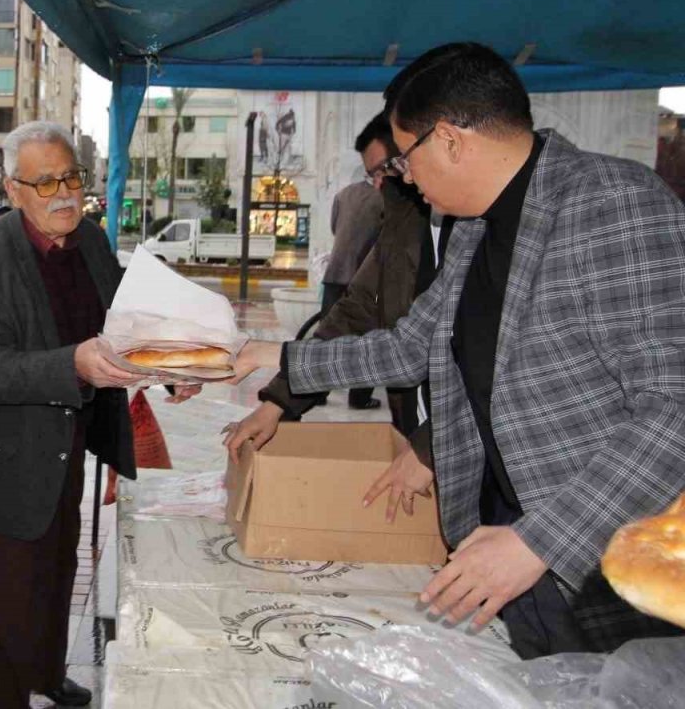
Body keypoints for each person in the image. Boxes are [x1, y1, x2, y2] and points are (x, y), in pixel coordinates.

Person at [228, 42, 685, 657]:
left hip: (610, 554)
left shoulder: (613, 204)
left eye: (405, 157)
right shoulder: (474, 227)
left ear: (448, 139)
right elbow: (412, 346)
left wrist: (541, 541)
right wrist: (271, 355)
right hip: (508, 531)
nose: (405, 177)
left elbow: (672, 407)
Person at [0, 121, 199, 708]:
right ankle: (8, 699)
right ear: (13, 190)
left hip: (68, 441)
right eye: (44, 183)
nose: (63, 193)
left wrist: (172, 366)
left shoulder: (88, 238)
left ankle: (46, 673)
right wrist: (73, 364)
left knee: (59, 569)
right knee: (11, 598)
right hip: (6, 458)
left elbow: (122, 319)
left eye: (70, 177)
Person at [233, 113, 435, 447]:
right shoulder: (403, 224)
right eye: (374, 174)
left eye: (387, 168)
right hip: (417, 434)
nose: (381, 183)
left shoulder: (474, 228)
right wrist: (278, 403)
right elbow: (354, 314)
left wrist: (268, 354)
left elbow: (411, 352)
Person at [321, 135, 385, 409]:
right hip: (364, 279)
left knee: (327, 336)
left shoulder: (343, 194)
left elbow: (335, 229)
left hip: (335, 273)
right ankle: (359, 397)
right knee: (367, 341)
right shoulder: (386, 200)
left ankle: (316, 392)